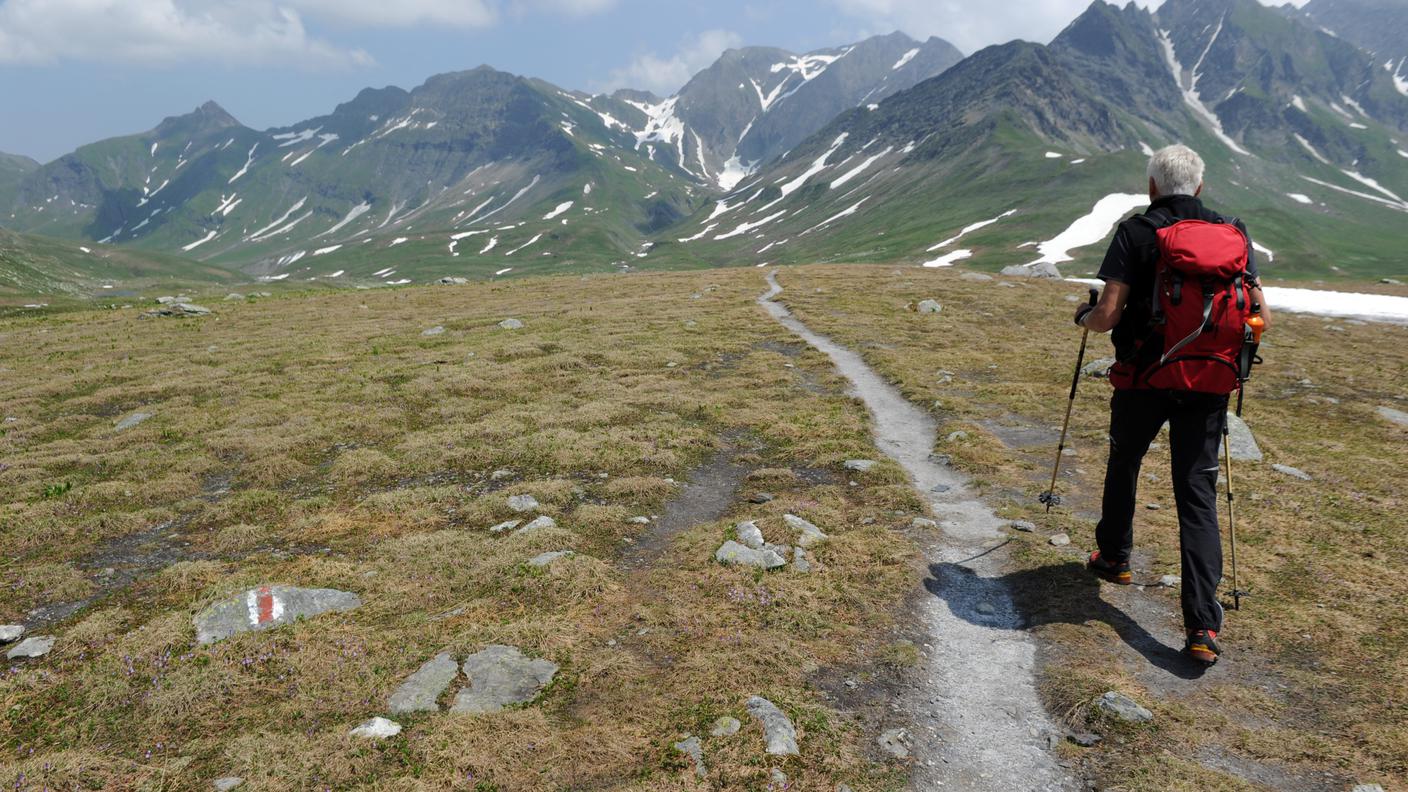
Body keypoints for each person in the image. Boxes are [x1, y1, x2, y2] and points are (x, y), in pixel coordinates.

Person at [1073, 144, 1271, 666]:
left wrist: (1083, 317)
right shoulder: (1233, 232)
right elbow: (1258, 312)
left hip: (1142, 378)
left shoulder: (1137, 231)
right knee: (1197, 495)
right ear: (1200, 186)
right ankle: (1202, 626)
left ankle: (1114, 556)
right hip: (1208, 381)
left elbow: (1109, 314)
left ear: (1152, 186)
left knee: (1125, 462)